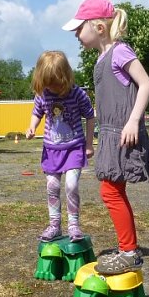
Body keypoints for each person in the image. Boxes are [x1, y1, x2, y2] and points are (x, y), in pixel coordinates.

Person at [63, 0, 149, 275]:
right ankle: (129, 250)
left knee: (110, 191)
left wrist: (133, 121)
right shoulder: (102, 58)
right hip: (111, 135)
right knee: (113, 190)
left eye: (79, 28)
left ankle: (129, 253)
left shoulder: (120, 52)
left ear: (99, 27)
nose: (76, 34)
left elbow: (146, 83)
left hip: (124, 134)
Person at [25, 50, 95, 242]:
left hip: (74, 148)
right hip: (52, 151)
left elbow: (90, 117)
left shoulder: (77, 93)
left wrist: (89, 144)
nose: (53, 88)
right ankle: (54, 225)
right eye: (49, 83)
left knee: (71, 185)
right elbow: (37, 112)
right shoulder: (42, 94)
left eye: (56, 83)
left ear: (65, 77)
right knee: (52, 186)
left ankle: (74, 225)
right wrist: (32, 127)